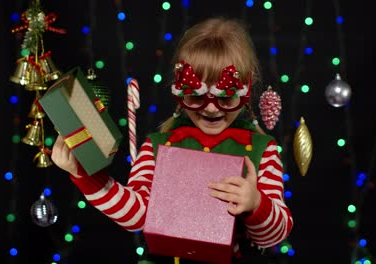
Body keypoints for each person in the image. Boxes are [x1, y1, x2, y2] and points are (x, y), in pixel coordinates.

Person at [51, 16, 293, 264]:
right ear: (179, 91)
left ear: (245, 90)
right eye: (195, 96)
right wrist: (85, 177)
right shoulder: (158, 146)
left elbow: (274, 236)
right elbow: (136, 217)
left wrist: (256, 203)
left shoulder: (263, 150)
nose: (211, 109)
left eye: (226, 97)